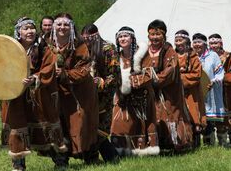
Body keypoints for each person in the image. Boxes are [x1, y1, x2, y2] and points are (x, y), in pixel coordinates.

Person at [3, 17, 67, 171]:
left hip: (38, 96)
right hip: (16, 95)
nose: (30, 31)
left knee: (46, 127)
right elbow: (1, 68)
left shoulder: (44, 49)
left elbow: (49, 67)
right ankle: (18, 165)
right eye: (25, 28)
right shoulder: (10, 50)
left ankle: (60, 162)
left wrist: (34, 78)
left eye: (32, 28)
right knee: (17, 127)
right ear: (18, 32)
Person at [129, 20, 193, 153]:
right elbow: (136, 68)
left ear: (163, 35)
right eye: (151, 34)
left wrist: (153, 79)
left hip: (167, 93)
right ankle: (152, 144)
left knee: (168, 114)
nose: (154, 37)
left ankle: (174, 144)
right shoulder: (143, 51)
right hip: (149, 92)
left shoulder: (169, 51)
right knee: (151, 116)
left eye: (157, 34)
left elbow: (170, 71)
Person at [47, 13, 99, 168]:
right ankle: (61, 162)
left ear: (71, 27)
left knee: (81, 124)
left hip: (80, 93)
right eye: (59, 24)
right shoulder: (47, 44)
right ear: (54, 26)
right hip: (56, 93)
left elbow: (84, 69)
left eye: (65, 24)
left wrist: (64, 74)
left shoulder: (80, 45)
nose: (62, 27)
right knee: (57, 125)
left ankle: (90, 157)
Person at [109, 26, 159, 156]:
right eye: (120, 36)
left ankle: (141, 150)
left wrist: (131, 81)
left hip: (141, 95)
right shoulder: (116, 57)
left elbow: (149, 74)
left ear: (132, 38)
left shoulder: (142, 54)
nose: (122, 39)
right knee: (119, 122)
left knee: (139, 124)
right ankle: (120, 151)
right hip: (122, 96)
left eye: (125, 36)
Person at [82, 24, 121, 163]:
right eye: (84, 39)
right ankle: (91, 159)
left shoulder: (108, 49)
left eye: (89, 38)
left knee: (100, 130)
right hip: (87, 96)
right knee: (88, 128)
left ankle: (112, 158)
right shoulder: (83, 50)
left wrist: (100, 83)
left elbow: (115, 75)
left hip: (103, 96)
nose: (87, 42)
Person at [193, 33, 226, 146]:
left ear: (204, 43)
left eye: (199, 42)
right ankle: (208, 143)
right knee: (201, 119)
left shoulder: (213, 56)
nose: (197, 45)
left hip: (212, 90)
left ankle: (222, 143)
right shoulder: (192, 56)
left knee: (215, 119)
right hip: (196, 91)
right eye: (195, 42)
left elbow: (220, 73)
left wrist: (214, 81)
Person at [174, 30, 205, 148]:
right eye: (176, 41)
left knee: (193, 114)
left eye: (180, 40)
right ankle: (181, 142)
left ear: (186, 41)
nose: (178, 43)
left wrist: (181, 78)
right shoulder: (172, 55)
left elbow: (197, 74)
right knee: (178, 115)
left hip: (191, 92)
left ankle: (195, 143)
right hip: (176, 92)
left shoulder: (193, 57)